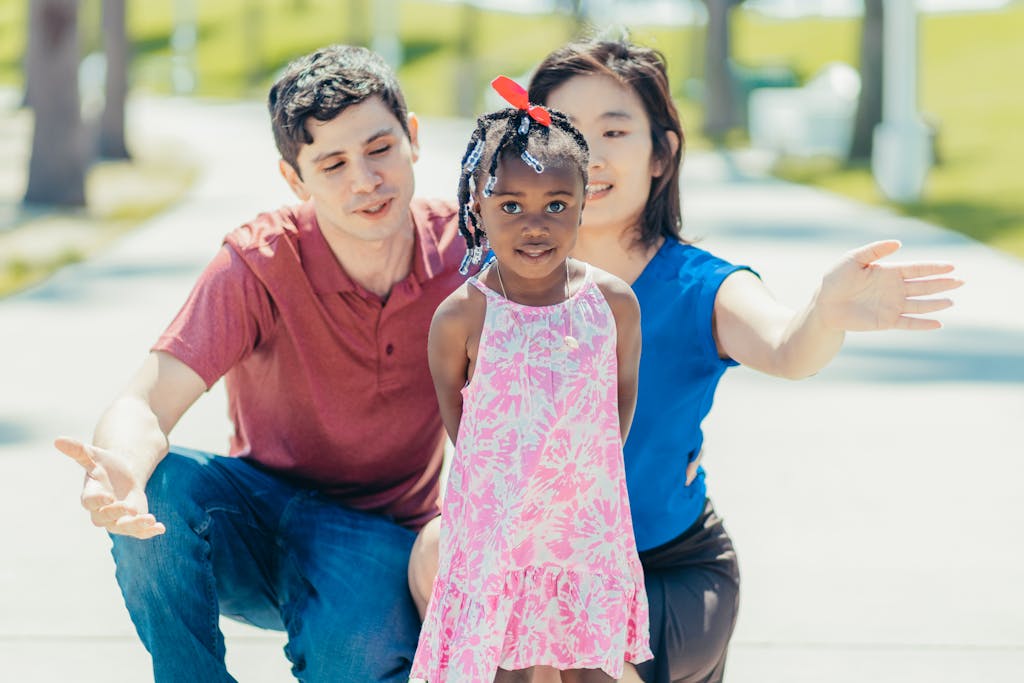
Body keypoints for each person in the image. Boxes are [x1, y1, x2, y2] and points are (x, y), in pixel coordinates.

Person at [408, 40, 963, 683]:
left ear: (661, 153)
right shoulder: (485, 282)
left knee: (566, 655)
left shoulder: (696, 285)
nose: (590, 151)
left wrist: (825, 312)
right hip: (526, 564)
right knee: (438, 552)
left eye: (614, 130)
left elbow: (786, 345)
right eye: (567, 130)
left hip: (663, 568)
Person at [54, 45, 466, 683]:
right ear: (295, 180)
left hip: (377, 535)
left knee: (351, 663)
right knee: (161, 491)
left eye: (380, 148)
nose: (364, 179)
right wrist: (122, 471)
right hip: (258, 515)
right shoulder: (260, 261)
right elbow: (145, 402)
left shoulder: (466, 255)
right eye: (331, 163)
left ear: (413, 139)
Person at [410, 79, 650, 683]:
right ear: (478, 206)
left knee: (591, 668)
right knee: (502, 670)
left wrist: (571, 485)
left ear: (582, 203)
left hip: (584, 533)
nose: (534, 225)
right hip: (497, 537)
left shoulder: (612, 304)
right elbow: (459, 422)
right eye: (510, 206)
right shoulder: (462, 317)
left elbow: (617, 409)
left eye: (556, 205)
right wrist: (518, 488)